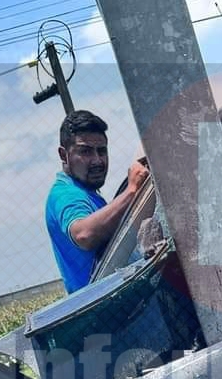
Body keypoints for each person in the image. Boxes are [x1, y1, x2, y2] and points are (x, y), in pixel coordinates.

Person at [45, 109, 149, 293]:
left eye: (102, 151)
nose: (97, 161)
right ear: (63, 155)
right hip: (107, 312)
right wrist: (132, 190)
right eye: (85, 152)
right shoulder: (65, 194)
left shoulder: (90, 196)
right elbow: (84, 235)